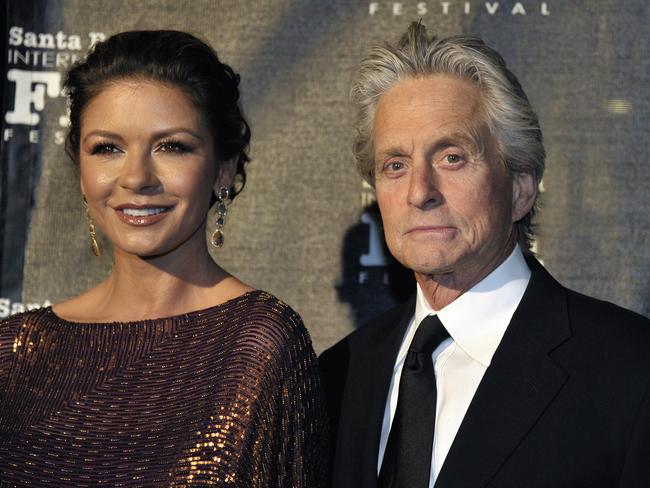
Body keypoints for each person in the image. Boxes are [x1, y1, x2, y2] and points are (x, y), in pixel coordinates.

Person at [320, 21, 650, 488]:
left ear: (520, 187)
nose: (419, 192)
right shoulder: (336, 376)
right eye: (395, 165)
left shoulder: (631, 372)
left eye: (451, 157)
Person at [0, 30, 328, 487]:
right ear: (80, 171)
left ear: (224, 169)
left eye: (171, 146)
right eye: (107, 148)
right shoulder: (14, 352)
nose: (136, 177)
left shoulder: (259, 346)